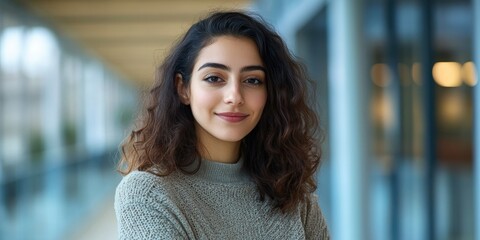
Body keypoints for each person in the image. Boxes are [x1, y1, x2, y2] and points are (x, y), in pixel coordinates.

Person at [115, 10, 329, 240]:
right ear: (183, 88)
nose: (234, 96)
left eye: (252, 80)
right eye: (214, 78)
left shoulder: (291, 192)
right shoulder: (148, 194)